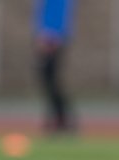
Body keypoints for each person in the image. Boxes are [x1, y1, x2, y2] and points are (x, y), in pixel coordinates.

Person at [33, 0, 75, 135]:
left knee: (50, 80)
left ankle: (61, 120)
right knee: (48, 80)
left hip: (51, 39)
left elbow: (58, 11)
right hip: (49, 37)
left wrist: (50, 37)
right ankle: (57, 119)